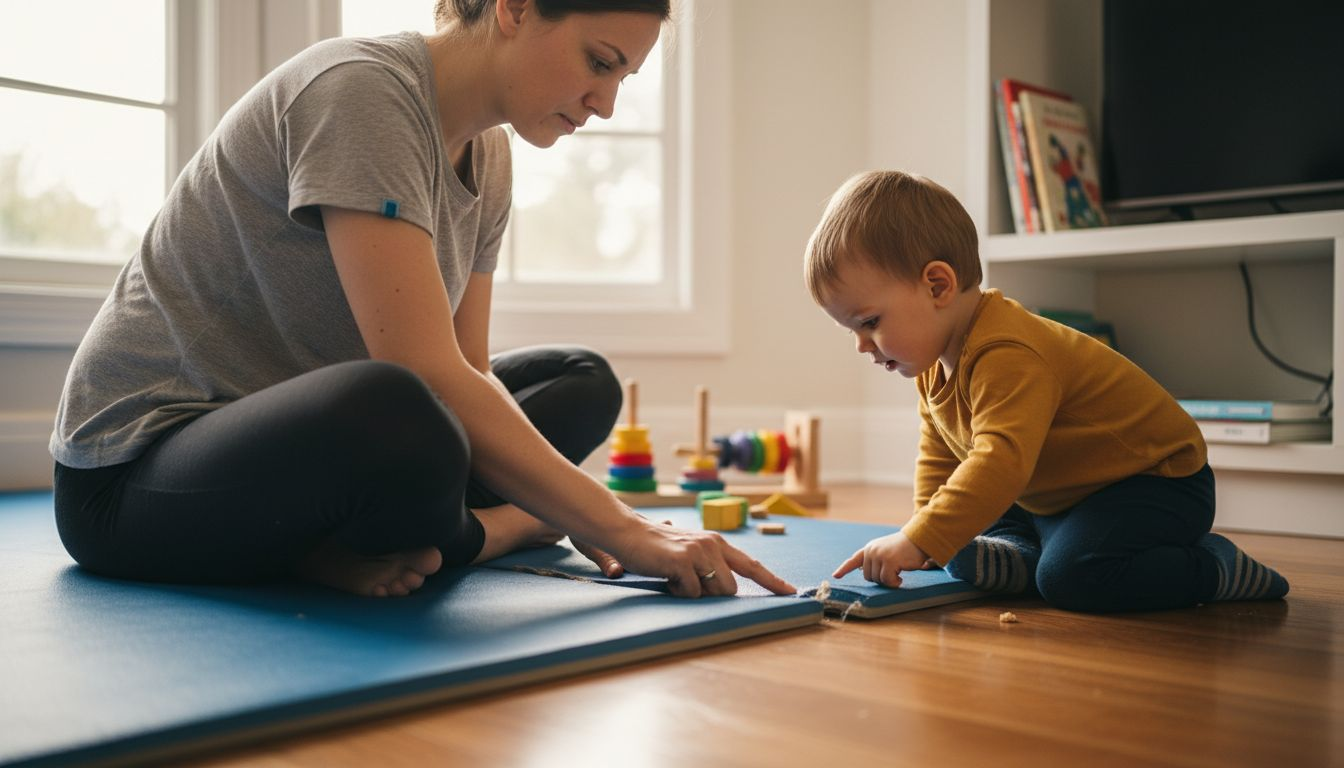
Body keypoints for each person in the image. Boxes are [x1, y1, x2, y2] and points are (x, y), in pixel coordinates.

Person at [50, 0, 795, 600]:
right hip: (134, 478)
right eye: (599, 63)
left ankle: (347, 543)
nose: (604, 104)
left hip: (309, 456)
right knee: (398, 408)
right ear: (513, 7)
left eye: (622, 78)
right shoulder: (361, 91)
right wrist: (619, 526)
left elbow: (467, 368)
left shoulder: (492, 156)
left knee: (579, 380)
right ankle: (491, 533)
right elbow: (426, 375)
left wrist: (581, 505)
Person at [803, 170, 1287, 612]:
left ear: (937, 285)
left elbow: (1001, 461)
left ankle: (1213, 567)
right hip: (1059, 492)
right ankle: (1022, 553)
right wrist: (924, 537)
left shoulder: (1007, 351)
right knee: (961, 540)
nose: (862, 345)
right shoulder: (932, 365)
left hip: (1154, 482)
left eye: (868, 322)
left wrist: (920, 539)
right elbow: (941, 459)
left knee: (1073, 577)